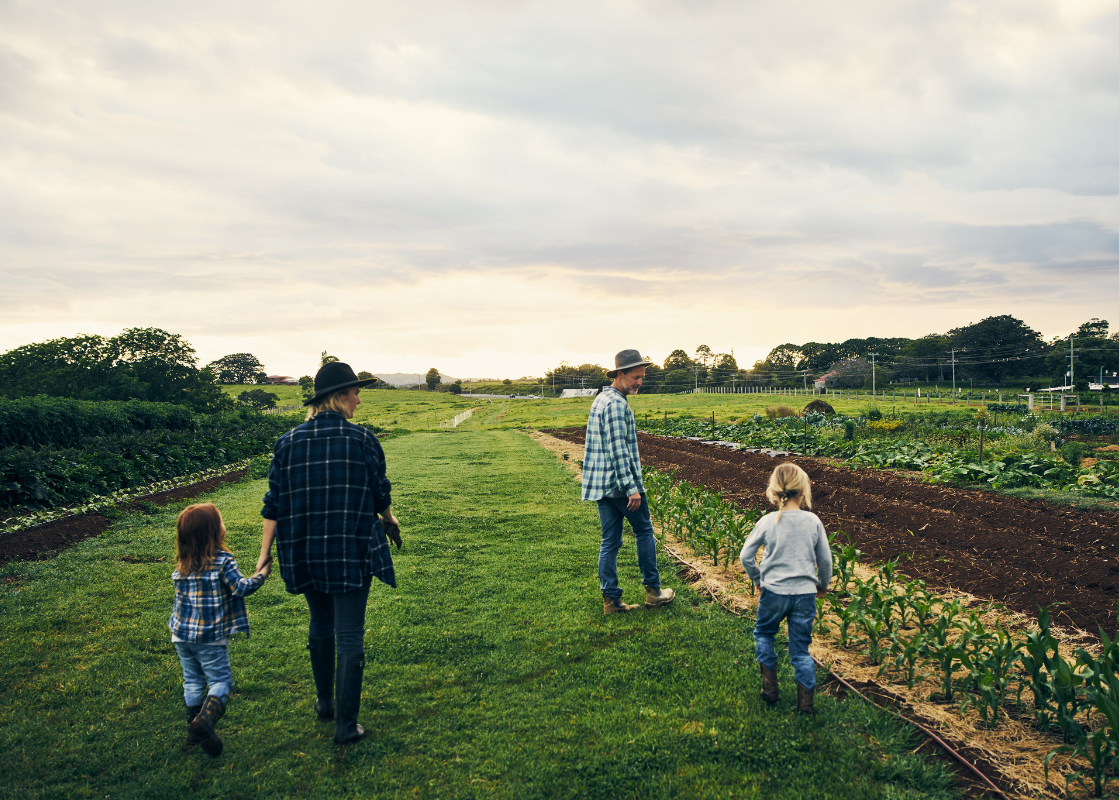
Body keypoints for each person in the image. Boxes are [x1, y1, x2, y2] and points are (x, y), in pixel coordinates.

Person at [256, 361, 400, 745]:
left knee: (321, 624)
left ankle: (324, 703)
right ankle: (346, 726)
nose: (358, 398)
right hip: (350, 548)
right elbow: (379, 493)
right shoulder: (363, 440)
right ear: (338, 397)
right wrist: (389, 518)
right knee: (349, 633)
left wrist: (264, 554)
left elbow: (274, 503)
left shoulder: (287, 442)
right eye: (355, 392)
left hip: (303, 549)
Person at [169, 503, 270, 757]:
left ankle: (193, 731)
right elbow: (240, 588)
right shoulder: (223, 561)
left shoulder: (183, 563)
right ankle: (204, 721)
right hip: (210, 638)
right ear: (214, 531)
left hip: (181, 635)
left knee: (192, 680)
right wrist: (262, 575)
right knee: (220, 681)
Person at [582, 349, 675, 615]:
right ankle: (654, 592)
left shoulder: (602, 398)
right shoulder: (616, 404)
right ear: (620, 374)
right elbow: (618, 449)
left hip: (603, 485)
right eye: (635, 377)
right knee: (644, 531)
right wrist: (631, 487)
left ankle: (611, 601)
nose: (639, 383)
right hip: (620, 485)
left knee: (610, 541)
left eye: (641, 378)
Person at [739, 462, 832, 715]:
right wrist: (822, 585)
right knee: (800, 649)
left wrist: (757, 578)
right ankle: (806, 705)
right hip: (804, 594)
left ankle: (769, 689)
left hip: (773, 592)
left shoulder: (768, 521)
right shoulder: (812, 521)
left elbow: (746, 556)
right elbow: (825, 560)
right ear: (803, 491)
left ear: (774, 491)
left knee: (765, 635)